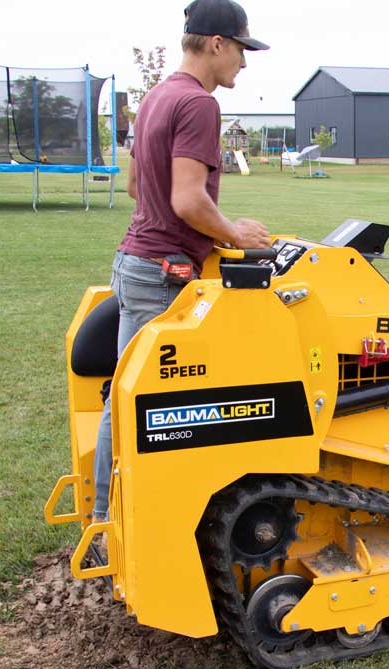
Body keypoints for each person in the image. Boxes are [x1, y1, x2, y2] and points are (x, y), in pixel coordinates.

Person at [92, 0, 271, 523]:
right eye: (241, 49)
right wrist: (234, 234)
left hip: (136, 262)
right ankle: (118, 525)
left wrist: (209, 239)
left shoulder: (155, 97)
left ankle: (112, 516)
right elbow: (187, 200)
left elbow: (135, 187)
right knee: (153, 405)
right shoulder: (198, 104)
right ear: (217, 43)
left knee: (127, 396)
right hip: (162, 275)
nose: (244, 61)